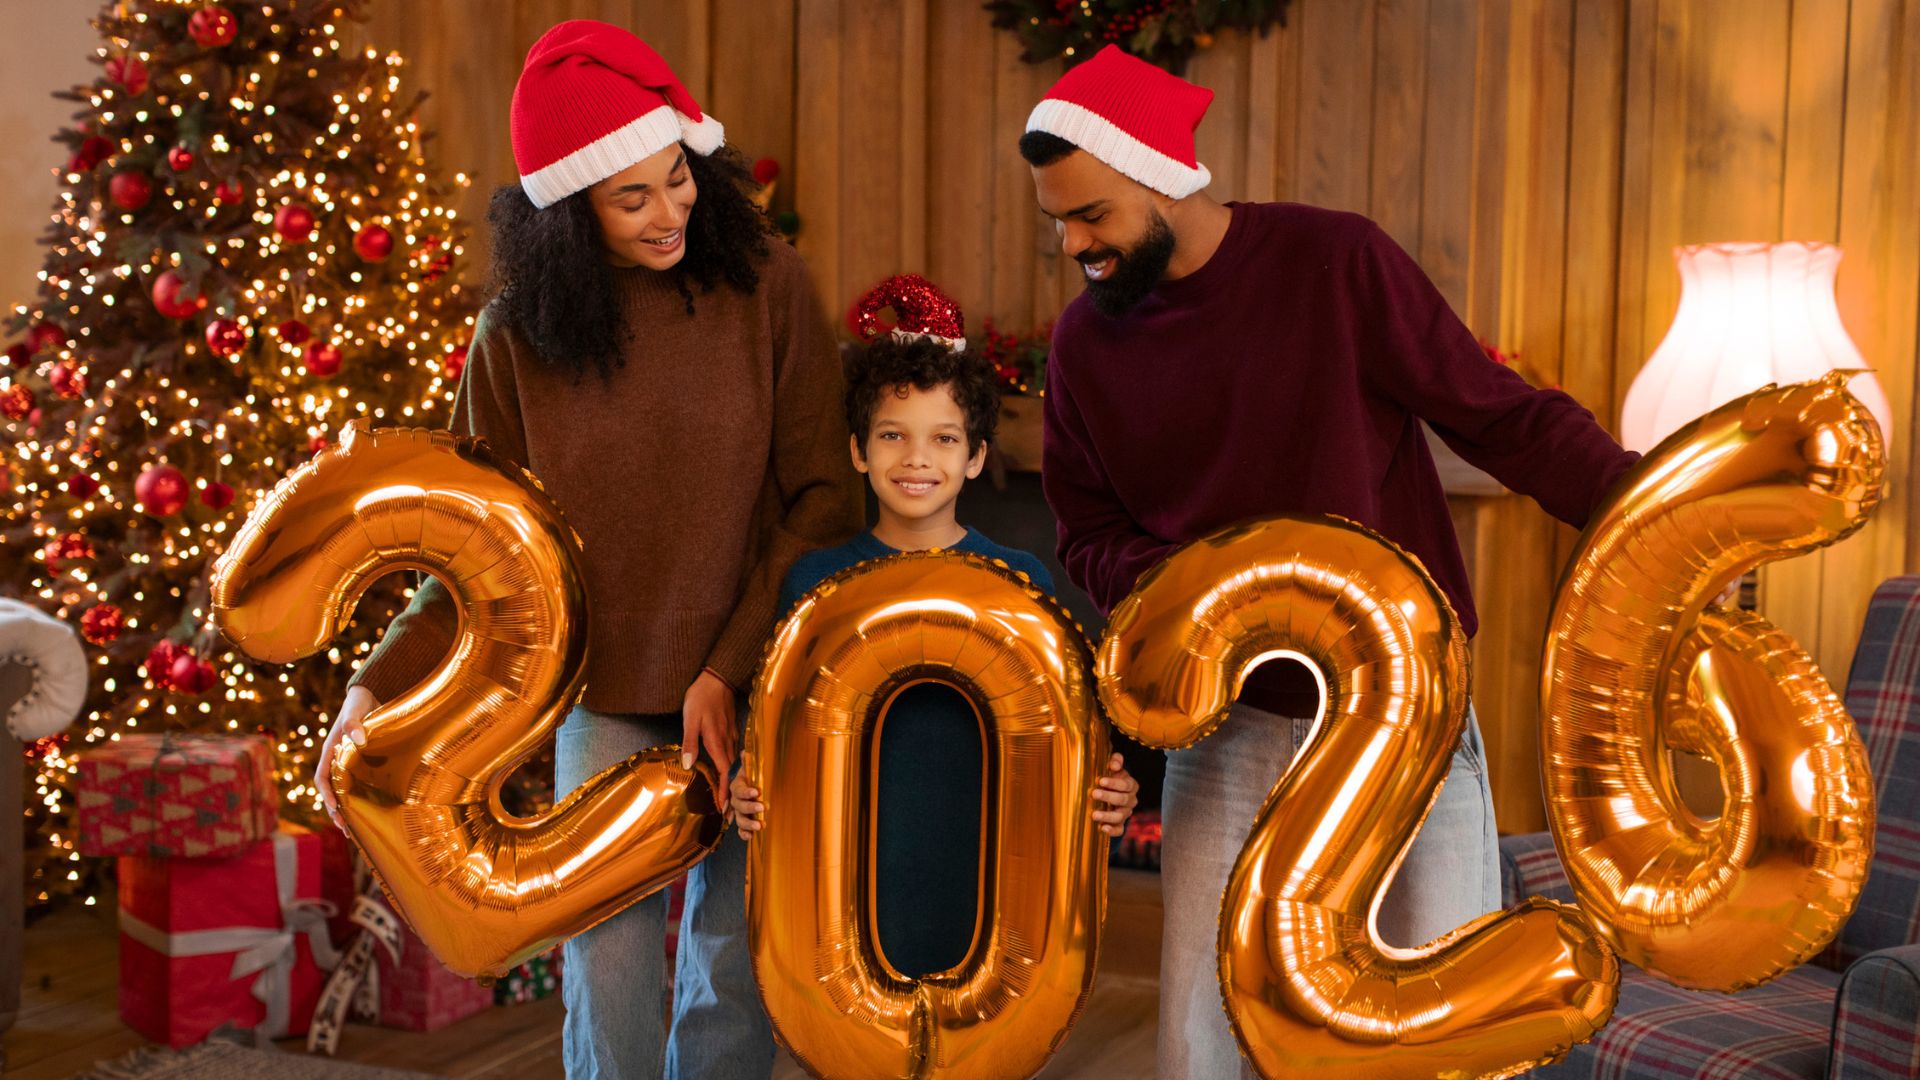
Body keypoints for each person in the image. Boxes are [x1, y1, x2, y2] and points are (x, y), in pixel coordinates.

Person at [1019, 45, 1639, 1079]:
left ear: (1162, 175)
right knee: (1201, 1040)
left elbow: (1498, 419)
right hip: (1230, 732)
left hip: (1406, 713)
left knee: (1446, 1027)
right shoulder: (1085, 346)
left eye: (1091, 216)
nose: (1074, 245)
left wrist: (1638, 502)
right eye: (1058, 222)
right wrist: (1204, 586)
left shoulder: (1336, 263)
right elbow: (1083, 529)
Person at [314, 21, 856, 1079]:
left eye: (678, 178)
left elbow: (822, 500)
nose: (673, 212)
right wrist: (370, 693)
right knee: (606, 974)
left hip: (750, 675)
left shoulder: (766, 287)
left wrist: (723, 670)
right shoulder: (514, 338)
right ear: (568, 214)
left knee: (730, 964)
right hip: (600, 694)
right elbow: (479, 558)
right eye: (634, 197)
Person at [729, 275, 1140, 978]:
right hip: (851, 873)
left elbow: (1063, 733)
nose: (917, 458)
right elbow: (777, 729)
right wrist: (749, 780)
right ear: (858, 450)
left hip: (977, 862)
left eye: (944, 438)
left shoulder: (1018, 581)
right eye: (893, 435)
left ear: (976, 456)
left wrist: (1109, 790)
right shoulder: (814, 583)